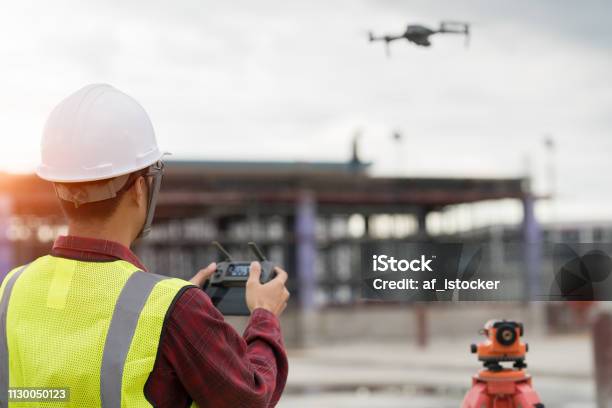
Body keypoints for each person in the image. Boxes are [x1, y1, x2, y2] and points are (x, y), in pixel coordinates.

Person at [0, 84, 290, 407]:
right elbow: (252, 397)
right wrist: (264, 313)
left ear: (59, 186)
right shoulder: (175, 310)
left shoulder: (11, 290)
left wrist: (172, 306)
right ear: (140, 188)